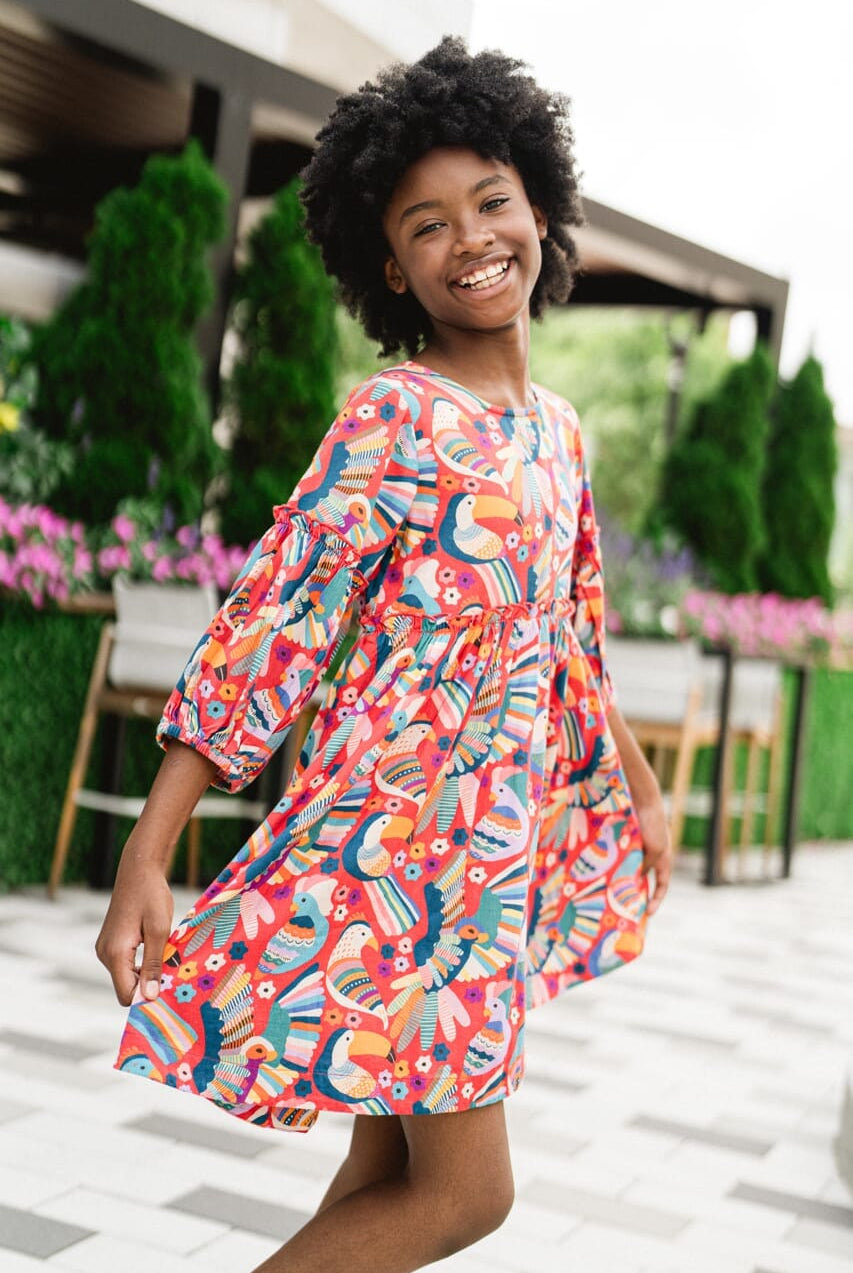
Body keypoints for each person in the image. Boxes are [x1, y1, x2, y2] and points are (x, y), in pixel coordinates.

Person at [96, 35, 671, 1273]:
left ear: (538, 204)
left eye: (491, 201)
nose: (470, 237)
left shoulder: (559, 433)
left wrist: (631, 779)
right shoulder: (394, 417)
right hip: (399, 854)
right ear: (391, 270)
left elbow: (568, 633)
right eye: (425, 225)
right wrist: (149, 852)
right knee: (468, 1195)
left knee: (385, 1173)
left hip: (488, 860)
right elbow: (270, 630)